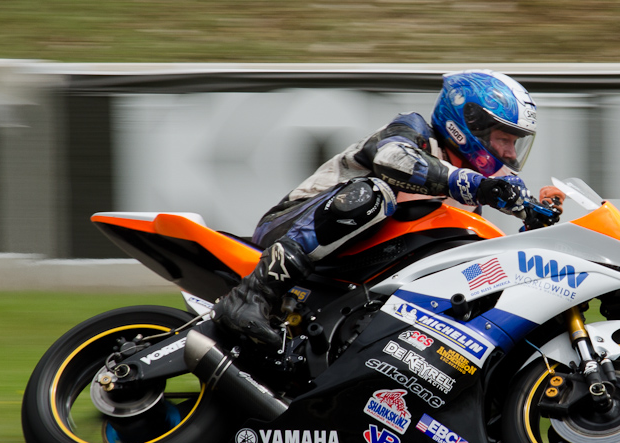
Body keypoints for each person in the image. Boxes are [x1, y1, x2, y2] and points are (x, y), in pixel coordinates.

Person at [212, 69, 559, 346]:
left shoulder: (466, 199)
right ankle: (251, 295)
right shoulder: (414, 130)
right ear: (468, 125)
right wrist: (478, 186)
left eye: (515, 143)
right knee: (373, 194)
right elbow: (393, 159)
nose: (512, 154)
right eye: (504, 139)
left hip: (351, 269)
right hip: (287, 228)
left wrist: (534, 223)